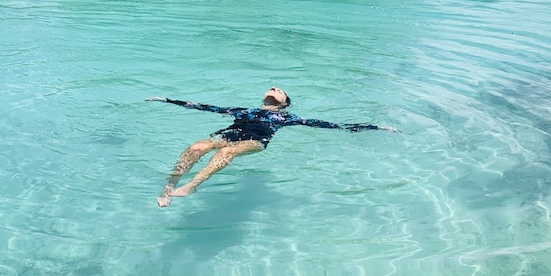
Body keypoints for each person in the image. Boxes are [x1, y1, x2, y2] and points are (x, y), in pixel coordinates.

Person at [147, 87, 396, 206]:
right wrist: (168, 100)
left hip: (254, 142)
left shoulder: (288, 117)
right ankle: (169, 186)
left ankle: (192, 186)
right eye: (272, 88)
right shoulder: (244, 110)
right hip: (228, 134)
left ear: (285, 103)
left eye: (280, 90)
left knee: (227, 152)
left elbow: (332, 125)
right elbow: (205, 106)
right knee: (197, 146)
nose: (274, 88)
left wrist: (375, 127)